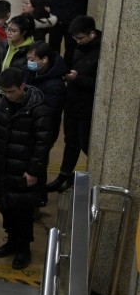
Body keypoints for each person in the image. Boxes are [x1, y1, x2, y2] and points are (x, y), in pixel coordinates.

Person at [0, 68, 56, 270]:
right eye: (4, 92)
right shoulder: (2, 105)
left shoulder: (38, 109)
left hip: (24, 171)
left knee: (23, 212)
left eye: (11, 91)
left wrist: (33, 171)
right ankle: (11, 241)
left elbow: (42, 144)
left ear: (22, 87)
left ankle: (24, 248)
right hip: (5, 167)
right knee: (6, 206)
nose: (8, 95)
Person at [49, 16, 101, 192]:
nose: (77, 41)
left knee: (85, 144)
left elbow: (101, 84)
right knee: (70, 142)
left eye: (80, 38)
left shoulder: (101, 52)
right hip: (72, 103)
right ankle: (63, 175)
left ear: (92, 34)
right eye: (75, 38)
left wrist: (78, 79)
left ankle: (94, 175)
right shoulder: (78, 46)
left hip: (87, 107)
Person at [20, 42, 69, 128]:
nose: (28, 63)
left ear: (44, 60)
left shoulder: (56, 85)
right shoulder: (28, 73)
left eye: (32, 60)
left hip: (43, 128)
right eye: (27, 59)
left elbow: (51, 114)